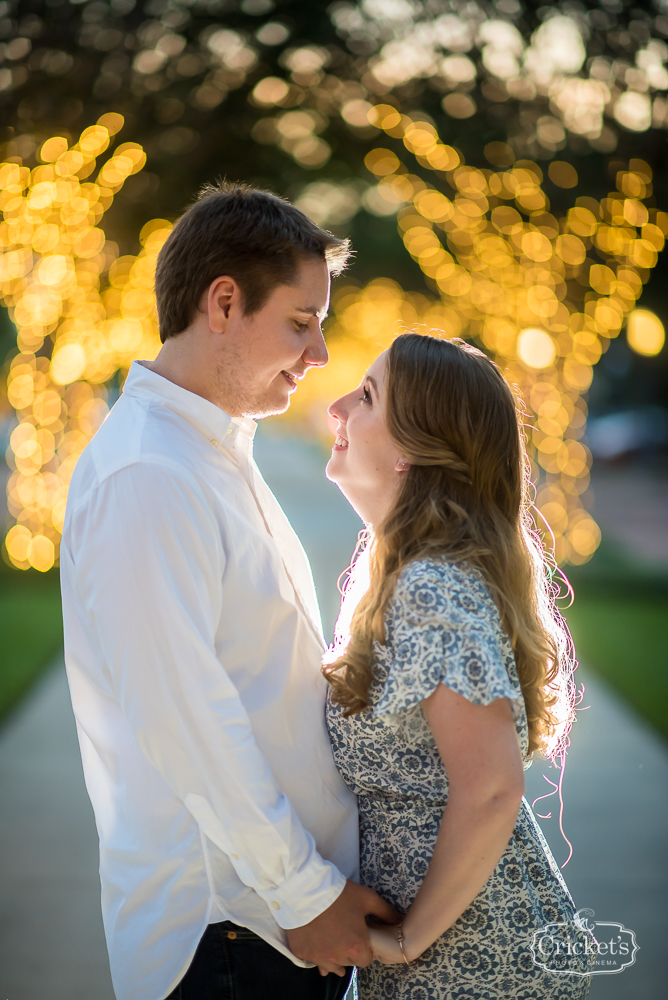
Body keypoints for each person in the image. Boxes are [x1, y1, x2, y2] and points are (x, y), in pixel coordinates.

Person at [60, 182, 397, 1000]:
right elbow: (186, 720)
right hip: (228, 939)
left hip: (267, 931)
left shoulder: (210, 454)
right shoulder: (150, 472)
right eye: (300, 321)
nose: (318, 354)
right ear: (222, 302)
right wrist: (307, 896)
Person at [323, 333, 594, 999]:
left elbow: (493, 789)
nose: (335, 406)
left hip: (473, 968)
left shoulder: (432, 587)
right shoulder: (405, 574)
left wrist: (411, 938)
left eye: (366, 396)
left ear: (414, 448)